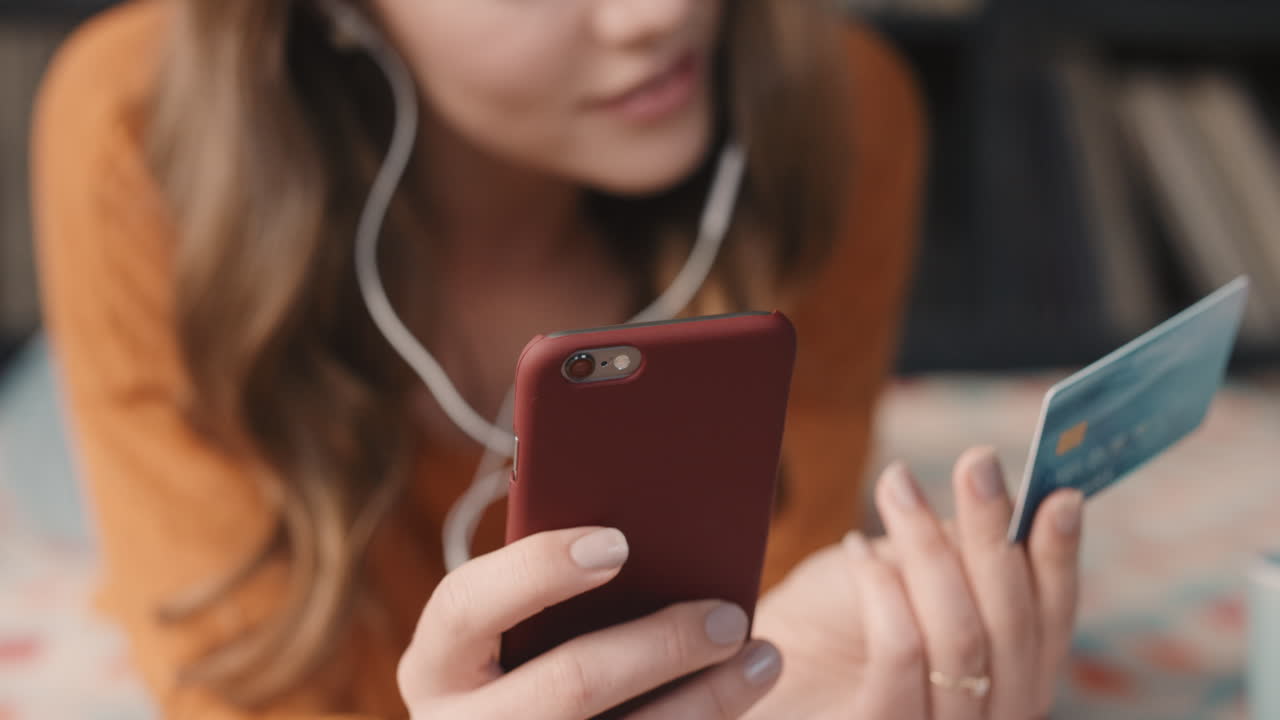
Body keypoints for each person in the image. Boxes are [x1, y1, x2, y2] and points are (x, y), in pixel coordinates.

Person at [32, 0, 1086, 717]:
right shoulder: (140, 132)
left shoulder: (835, 114)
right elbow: (238, 683)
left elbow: (752, 641)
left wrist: (814, 669)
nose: (660, 15)